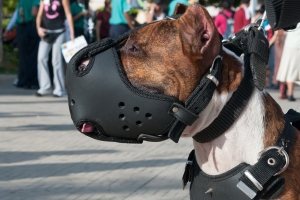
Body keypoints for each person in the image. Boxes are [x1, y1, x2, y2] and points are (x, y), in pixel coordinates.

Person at [35, 0, 74, 97]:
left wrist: (72, 34)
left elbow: (68, 14)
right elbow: (39, 15)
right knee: (41, 58)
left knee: (56, 61)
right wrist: (38, 28)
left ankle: (59, 89)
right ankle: (45, 87)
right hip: (47, 32)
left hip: (60, 31)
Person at [14, 0, 40, 89]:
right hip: (31, 25)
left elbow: (20, 12)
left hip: (21, 27)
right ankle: (31, 81)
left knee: (23, 55)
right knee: (33, 54)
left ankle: (21, 79)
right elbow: (34, 12)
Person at [276, 23, 300, 101]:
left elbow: (282, 28)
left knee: (290, 69)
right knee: (293, 70)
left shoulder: (291, 16)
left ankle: (290, 93)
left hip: (290, 45)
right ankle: (289, 93)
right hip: (295, 45)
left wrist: (278, 38)